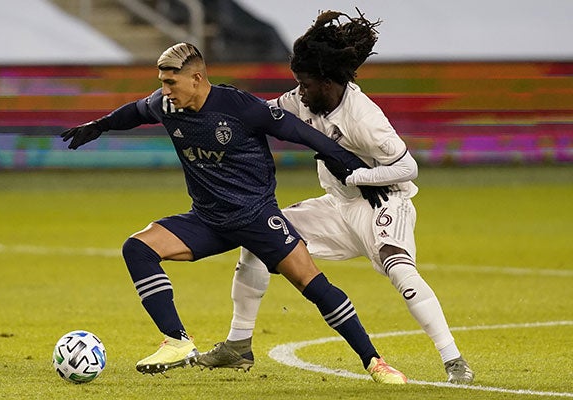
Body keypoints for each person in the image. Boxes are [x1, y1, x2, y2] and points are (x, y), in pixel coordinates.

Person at [60, 42, 407, 384]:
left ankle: (375, 362)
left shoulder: (239, 107)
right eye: (162, 82)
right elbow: (135, 112)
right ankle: (177, 340)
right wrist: (99, 125)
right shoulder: (166, 105)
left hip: (256, 217)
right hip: (208, 220)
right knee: (137, 248)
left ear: (196, 78)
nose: (165, 90)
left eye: (171, 83)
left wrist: (352, 169)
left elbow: (302, 133)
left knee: (312, 283)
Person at [196, 10, 475, 385]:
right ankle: (238, 344)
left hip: (383, 202)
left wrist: (361, 175)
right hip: (336, 205)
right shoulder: (304, 98)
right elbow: (263, 112)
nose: (300, 91)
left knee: (400, 270)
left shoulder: (364, 118)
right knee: (260, 234)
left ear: (328, 82)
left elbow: (408, 167)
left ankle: (454, 360)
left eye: (306, 84)